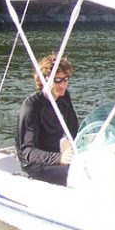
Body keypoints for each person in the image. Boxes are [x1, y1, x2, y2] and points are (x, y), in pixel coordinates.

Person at [15, 53, 79, 185]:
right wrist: (59, 158)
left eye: (66, 79)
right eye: (57, 80)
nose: (63, 85)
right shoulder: (31, 105)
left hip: (57, 153)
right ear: (44, 80)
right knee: (79, 174)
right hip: (34, 165)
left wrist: (66, 142)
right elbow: (28, 152)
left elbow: (72, 128)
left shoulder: (64, 97)